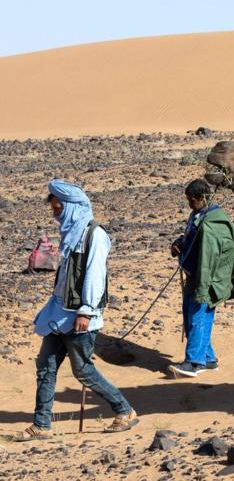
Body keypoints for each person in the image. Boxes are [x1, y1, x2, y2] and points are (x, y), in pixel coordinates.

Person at [20, 180, 138, 441]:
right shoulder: (70, 233)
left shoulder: (94, 234)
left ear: (73, 207)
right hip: (57, 315)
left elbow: (95, 275)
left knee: (83, 371)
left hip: (79, 318)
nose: (56, 214)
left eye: (58, 208)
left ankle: (124, 410)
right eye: (54, 209)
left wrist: (86, 311)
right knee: (46, 367)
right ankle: (41, 424)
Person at [168, 179, 234, 378]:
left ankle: (194, 363)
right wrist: (179, 244)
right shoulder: (198, 214)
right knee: (191, 318)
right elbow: (193, 241)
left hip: (207, 281)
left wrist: (203, 287)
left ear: (203, 198)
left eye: (192, 200)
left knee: (198, 319)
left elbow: (210, 259)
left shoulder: (214, 223)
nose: (189, 204)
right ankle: (208, 359)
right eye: (188, 200)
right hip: (194, 277)